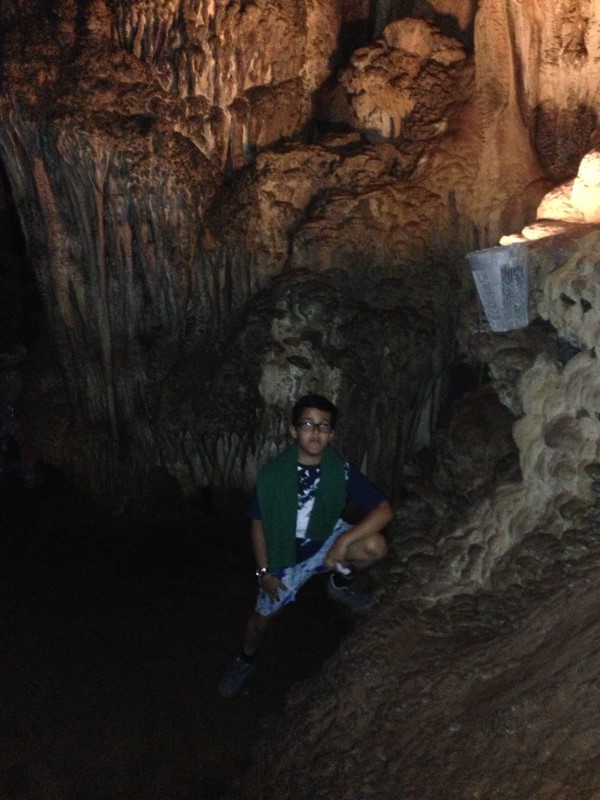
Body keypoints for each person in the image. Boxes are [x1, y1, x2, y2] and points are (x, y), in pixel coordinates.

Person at [218, 393, 393, 698]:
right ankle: (244, 660)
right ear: (293, 430)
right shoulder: (273, 475)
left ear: (332, 434)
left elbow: (384, 510)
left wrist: (342, 542)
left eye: (323, 426)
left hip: (325, 538)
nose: (315, 432)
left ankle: (340, 583)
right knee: (259, 624)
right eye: (307, 424)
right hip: (287, 555)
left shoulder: (341, 470)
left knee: (375, 546)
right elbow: (258, 525)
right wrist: (264, 572)